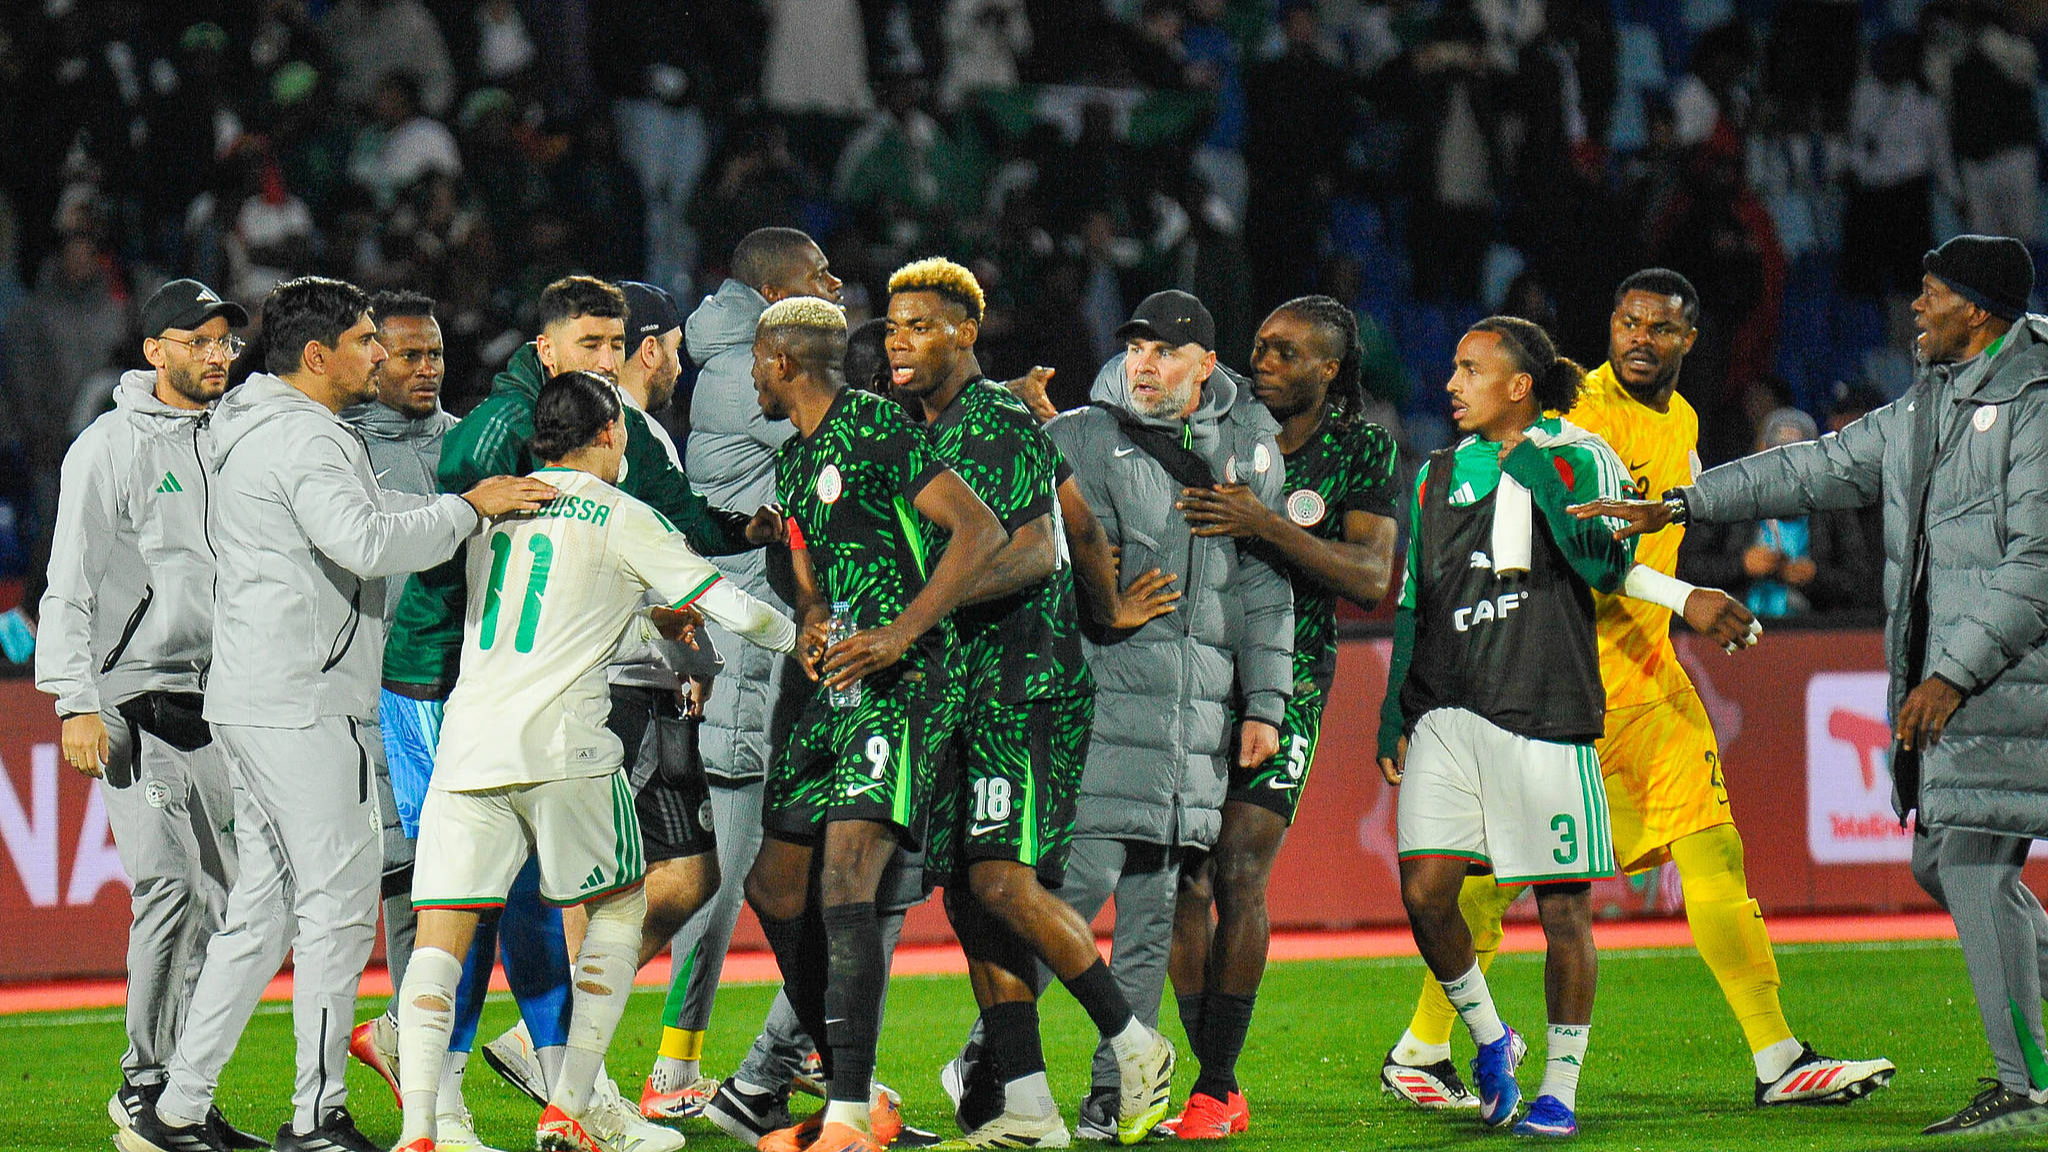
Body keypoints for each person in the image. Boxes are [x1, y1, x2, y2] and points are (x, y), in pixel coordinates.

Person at [1383, 270, 1896, 1113]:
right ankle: (1422, 1048)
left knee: (1712, 852)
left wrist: (1694, 591)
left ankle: (1778, 1057)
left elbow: (1653, 543)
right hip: (1554, 694)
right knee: (1487, 884)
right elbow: (1543, 523)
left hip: (1649, 684)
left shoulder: (1684, 421)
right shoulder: (1573, 413)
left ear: (1690, 340)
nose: (1640, 339)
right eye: (1627, 322)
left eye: (1660, 328)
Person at [1574, 235, 2048, 1136]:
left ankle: (2023, 1091)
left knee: (1974, 870)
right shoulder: (1936, 401)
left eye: (1931, 292)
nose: (1913, 307)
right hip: (1965, 672)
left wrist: (1950, 673)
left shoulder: (2036, 404)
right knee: (1944, 865)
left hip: (2011, 673)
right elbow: (1814, 467)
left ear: (1978, 313)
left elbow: (2038, 564)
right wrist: (1680, 504)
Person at [120, 276, 554, 1152]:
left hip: (259, 693)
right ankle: (315, 1116)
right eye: (366, 341)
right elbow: (362, 541)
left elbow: (366, 516)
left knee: (265, 911)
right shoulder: (306, 440)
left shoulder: (264, 426)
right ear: (317, 357)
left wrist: (457, 512)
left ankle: (176, 1110)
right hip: (305, 704)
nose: (382, 355)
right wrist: (469, 509)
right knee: (338, 908)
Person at [381, 275, 770, 1152]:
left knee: (509, 902)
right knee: (472, 907)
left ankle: (513, 1098)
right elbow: (460, 479)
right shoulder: (510, 424)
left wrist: (732, 532)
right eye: (591, 345)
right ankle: (452, 1094)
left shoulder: (610, 440)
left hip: (504, 696)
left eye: (617, 341)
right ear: (547, 348)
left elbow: (677, 522)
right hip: (437, 677)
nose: (612, 359)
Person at [883, 258, 1175, 1147]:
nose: (900, 341)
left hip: (1022, 690)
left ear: (966, 333)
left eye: (921, 326)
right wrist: (1110, 600)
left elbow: (1029, 548)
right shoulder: (929, 424)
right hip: (957, 694)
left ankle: (1135, 1042)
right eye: (892, 327)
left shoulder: (993, 418)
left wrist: (906, 612)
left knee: (1003, 883)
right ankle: (1028, 1107)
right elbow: (1079, 519)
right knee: (974, 903)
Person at [744, 295, 1006, 1152]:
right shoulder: (795, 461)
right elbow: (812, 576)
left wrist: (904, 632)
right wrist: (813, 613)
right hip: (834, 690)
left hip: (902, 686)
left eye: (755, 359)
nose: (752, 375)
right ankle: (846, 1075)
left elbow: (980, 530)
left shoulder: (879, 429)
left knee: (847, 879)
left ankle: (850, 1111)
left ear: (781, 363)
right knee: (775, 889)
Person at [1034, 289, 1294, 1140]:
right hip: (1106, 695)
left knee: (1153, 909)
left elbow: (1262, 583)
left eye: (1165, 351)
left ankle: (1116, 1093)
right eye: (1137, 348)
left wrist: (1265, 701)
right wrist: (1104, 604)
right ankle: (993, 1062)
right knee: (1070, 891)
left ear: (1204, 366)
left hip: (1199, 716)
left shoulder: (1251, 446)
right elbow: (1050, 547)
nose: (1146, 364)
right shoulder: (1082, 433)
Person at [1377, 316, 1636, 1139]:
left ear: (1518, 386)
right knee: (1425, 895)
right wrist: (1394, 709)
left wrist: (1535, 469)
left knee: (1563, 912)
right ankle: (1492, 1041)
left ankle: (1560, 1087)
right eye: (1453, 369)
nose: (1451, 385)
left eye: (1469, 369)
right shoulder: (1436, 474)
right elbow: (1416, 597)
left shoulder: (1575, 452)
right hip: (1448, 710)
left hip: (1543, 706)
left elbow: (1607, 563)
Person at [1162, 296, 1399, 1138]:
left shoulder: (1361, 449)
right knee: (1182, 877)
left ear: (1330, 369)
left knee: (1238, 868)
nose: (1263, 359)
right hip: (1189, 670)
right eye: (1258, 345)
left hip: (1291, 680)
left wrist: (1265, 524)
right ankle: (1208, 1081)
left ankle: (1215, 1081)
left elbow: (1373, 578)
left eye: (1287, 351)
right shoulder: (1218, 425)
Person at [37, 280, 261, 1151]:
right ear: (153, 351)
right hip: (130, 691)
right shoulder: (109, 446)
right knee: (169, 882)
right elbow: (71, 579)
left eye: (224, 341)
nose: (217, 353)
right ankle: (142, 1089)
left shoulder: (244, 437)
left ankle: (183, 1097)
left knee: (231, 903)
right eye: (198, 340)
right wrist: (73, 700)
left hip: (227, 694)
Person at [654, 227, 843, 1121]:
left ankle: (793, 1049)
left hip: (775, 643)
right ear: (775, 298)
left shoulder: (740, 357)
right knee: (725, 873)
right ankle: (668, 1065)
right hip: (749, 642)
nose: (837, 286)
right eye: (818, 279)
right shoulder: (742, 375)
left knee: (785, 868)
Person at [340, 288, 456, 1116]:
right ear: (374, 359)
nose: (426, 369)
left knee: (475, 879)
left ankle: (407, 1036)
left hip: (470, 688)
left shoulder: (468, 445)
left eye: (436, 354)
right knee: (415, 875)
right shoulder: (342, 451)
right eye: (409, 354)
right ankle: (424, 1066)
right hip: (388, 692)